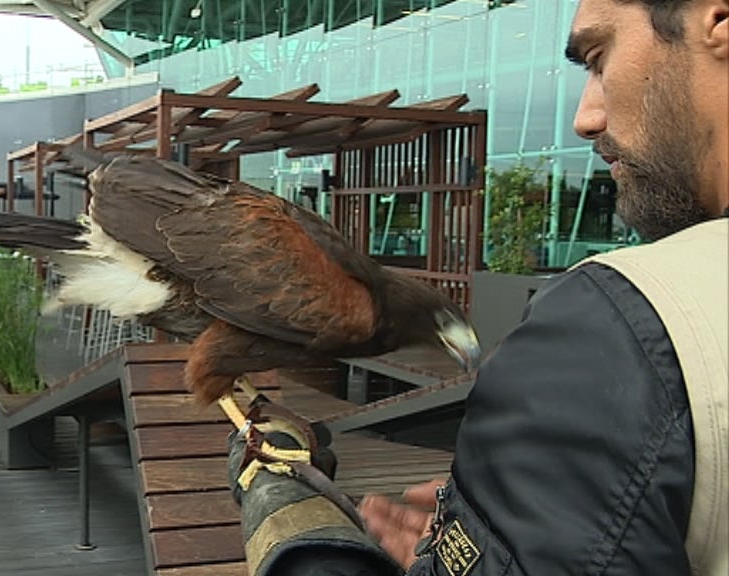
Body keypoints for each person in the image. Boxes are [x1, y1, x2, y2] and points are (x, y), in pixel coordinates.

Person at [227, 0, 728, 574]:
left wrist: (297, 528)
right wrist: (499, 530)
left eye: (597, 57)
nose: (584, 118)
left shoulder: (622, 326)